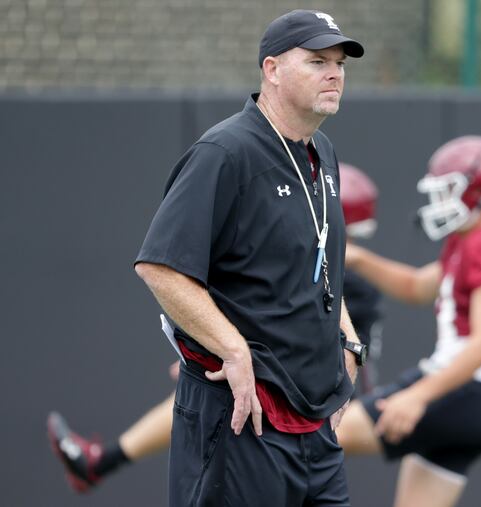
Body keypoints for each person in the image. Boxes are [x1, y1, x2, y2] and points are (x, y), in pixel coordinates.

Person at [134, 10, 366, 506]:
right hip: (243, 417)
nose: (334, 74)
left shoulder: (321, 150)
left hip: (315, 425)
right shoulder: (225, 151)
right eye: (317, 61)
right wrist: (233, 349)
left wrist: (346, 336)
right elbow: (160, 266)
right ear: (272, 69)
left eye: (340, 64)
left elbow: (318, 259)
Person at [46, 163, 384, 494]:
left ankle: (100, 463)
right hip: (307, 399)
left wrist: (231, 358)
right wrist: (219, 352)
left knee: (234, 401)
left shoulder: (349, 281)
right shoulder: (327, 270)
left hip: (322, 409)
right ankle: (101, 462)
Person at [336, 135, 481, 507]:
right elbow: (417, 287)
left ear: (478, 191)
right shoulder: (470, 243)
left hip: (464, 391)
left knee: (322, 436)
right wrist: (359, 259)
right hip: (474, 402)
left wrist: (417, 396)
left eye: (448, 189)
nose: (439, 201)